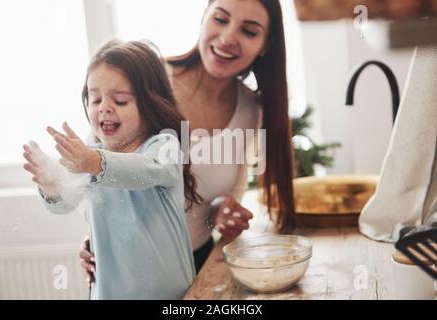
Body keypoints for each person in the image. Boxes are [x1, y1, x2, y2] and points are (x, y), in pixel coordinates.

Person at [80, 0, 295, 284]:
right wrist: (95, 237)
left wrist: (220, 213)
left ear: (265, 45)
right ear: (203, 17)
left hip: (196, 266)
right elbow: (92, 167)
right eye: (220, 18)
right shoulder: (146, 81)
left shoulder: (251, 111)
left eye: (249, 31)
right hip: (126, 271)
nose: (228, 37)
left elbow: (222, 200)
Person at [22, 40, 201, 299]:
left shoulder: (163, 146)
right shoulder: (90, 151)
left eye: (120, 100)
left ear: (150, 103)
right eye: (95, 99)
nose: (104, 107)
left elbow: (145, 171)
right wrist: (51, 184)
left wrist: (94, 162)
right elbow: (63, 205)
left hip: (171, 295)